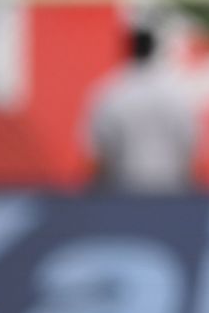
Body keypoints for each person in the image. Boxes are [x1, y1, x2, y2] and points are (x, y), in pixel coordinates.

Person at [84, 25, 201, 192]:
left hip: (123, 196)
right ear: (156, 50)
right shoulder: (179, 94)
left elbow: (97, 157)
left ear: (127, 50)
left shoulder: (110, 93)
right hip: (172, 196)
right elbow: (193, 154)